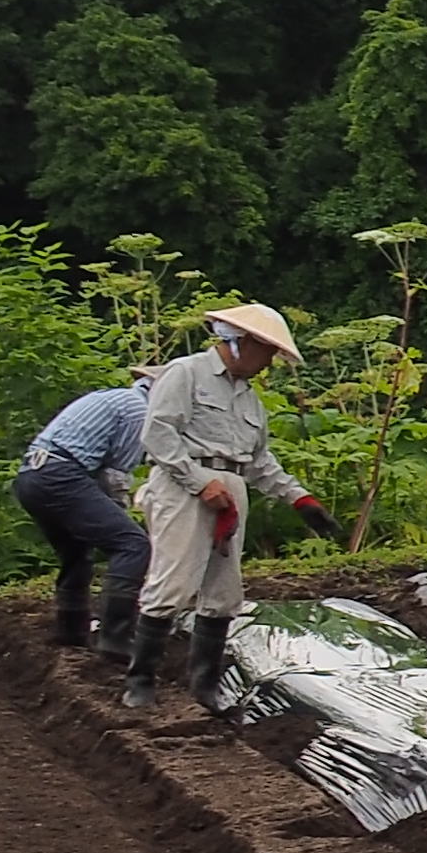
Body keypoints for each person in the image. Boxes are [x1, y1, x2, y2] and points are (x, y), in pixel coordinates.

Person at [124, 306, 333, 715]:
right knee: (173, 584)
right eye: (266, 352)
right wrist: (201, 484)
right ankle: (140, 681)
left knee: (223, 592)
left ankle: (204, 686)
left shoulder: (249, 399)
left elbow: (257, 461)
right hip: (185, 486)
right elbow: (159, 435)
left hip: (231, 485)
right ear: (243, 343)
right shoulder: (186, 373)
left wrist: (299, 498)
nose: (269, 362)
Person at [13, 365, 157, 663]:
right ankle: (117, 638)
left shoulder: (115, 399)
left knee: (76, 550)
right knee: (133, 544)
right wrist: (122, 516)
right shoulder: (139, 412)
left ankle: (72, 629)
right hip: (60, 474)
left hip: (32, 475)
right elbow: (115, 477)